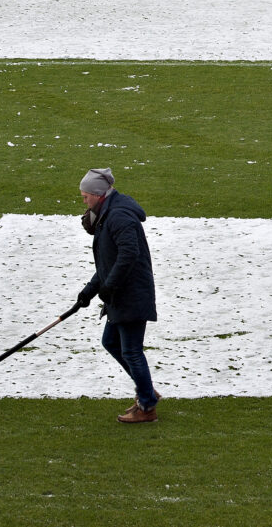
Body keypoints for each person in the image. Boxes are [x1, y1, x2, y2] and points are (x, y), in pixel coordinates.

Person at [76, 167, 161, 423]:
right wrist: (89, 291)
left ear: (99, 195)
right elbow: (108, 263)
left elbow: (128, 255)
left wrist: (110, 287)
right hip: (122, 294)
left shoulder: (119, 217)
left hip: (131, 294)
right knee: (111, 343)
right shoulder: (107, 215)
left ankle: (147, 406)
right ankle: (147, 393)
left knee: (132, 350)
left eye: (86, 197)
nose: (84, 202)